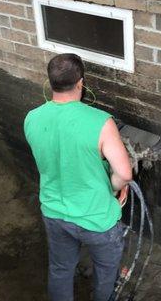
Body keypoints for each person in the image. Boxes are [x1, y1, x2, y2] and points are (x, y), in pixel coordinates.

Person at [24, 53, 133, 301]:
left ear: (50, 82)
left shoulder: (32, 118)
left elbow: (56, 159)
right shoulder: (101, 122)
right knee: (106, 272)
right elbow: (125, 173)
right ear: (81, 82)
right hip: (96, 218)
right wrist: (115, 190)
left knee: (61, 269)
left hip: (54, 212)